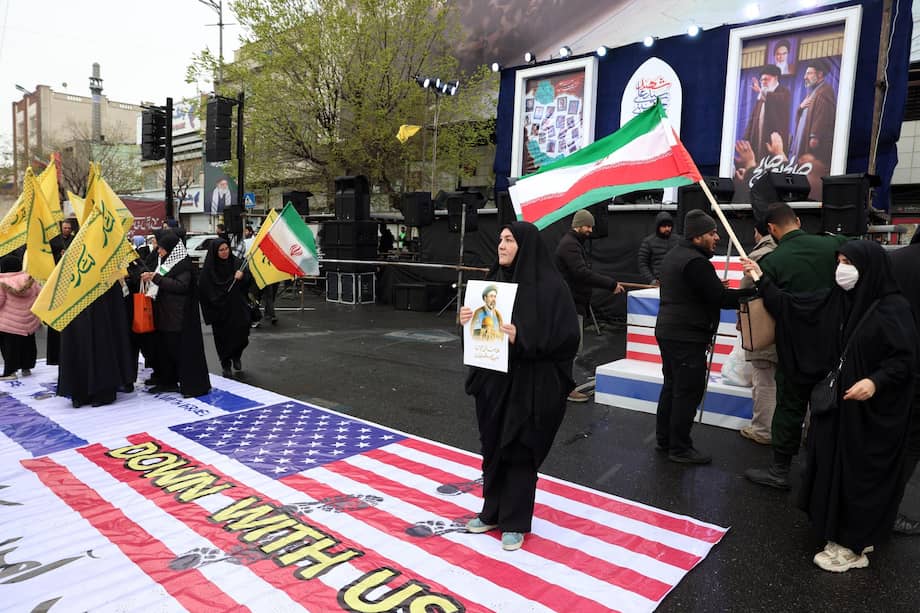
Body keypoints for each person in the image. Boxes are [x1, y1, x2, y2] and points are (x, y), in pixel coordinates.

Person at [743, 241, 917, 572]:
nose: (842, 268)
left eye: (849, 261)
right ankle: (837, 528)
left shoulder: (892, 308)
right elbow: (796, 307)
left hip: (872, 414)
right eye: (839, 260)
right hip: (842, 408)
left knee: (861, 473)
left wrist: (875, 381)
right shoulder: (844, 300)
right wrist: (761, 278)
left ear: (870, 266)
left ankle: (854, 543)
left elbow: (905, 359)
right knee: (833, 464)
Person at [459, 221, 580, 552]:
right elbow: (476, 340)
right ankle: (492, 511)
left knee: (520, 451)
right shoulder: (491, 284)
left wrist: (522, 338)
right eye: (500, 239)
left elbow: (568, 339)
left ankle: (515, 520)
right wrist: (467, 324)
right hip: (493, 385)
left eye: (510, 240)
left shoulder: (551, 289)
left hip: (532, 387)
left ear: (526, 246)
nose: (502, 245)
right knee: (493, 448)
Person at [744, 202, 848, 489]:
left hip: (794, 348)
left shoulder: (772, 263)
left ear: (772, 229)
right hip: (835, 344)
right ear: (798, 221)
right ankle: (825, 469)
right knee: (830, 406)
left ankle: (780, 471)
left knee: (790, 406)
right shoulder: (834, 245)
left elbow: (771, 305)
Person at [653, 210, 753, 464]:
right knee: (687, 391)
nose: (717, 237)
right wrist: (756, 290)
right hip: (687, 336)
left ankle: (665, 440)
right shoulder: (696, 262)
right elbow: (720, 299)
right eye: (712, 233)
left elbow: (697, 291)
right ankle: (680, 448)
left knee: (672, 387)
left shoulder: (675, 255)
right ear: (697, 237)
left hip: (671, 332)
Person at [554, 208, 623, 402]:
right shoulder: (570, 245)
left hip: (573, 302)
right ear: (578, 225)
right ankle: (565, 389)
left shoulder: (573, 243)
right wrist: (610, 284)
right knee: (570, 348)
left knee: (570, 348)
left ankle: (561, 386)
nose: (590, 230)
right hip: (569, 304)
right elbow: (581, 273)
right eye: (588, 226)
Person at [140, 231, 211, 398]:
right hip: (165, 315)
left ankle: (189, 384)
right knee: (166, 352)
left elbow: (181, 286)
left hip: (178, 317)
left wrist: (156, 279)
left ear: (171, 249)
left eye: (162, 249)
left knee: (180, 352)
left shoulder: (183, 265)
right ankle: (168, 381)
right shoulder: (168, 262)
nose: (159, 251)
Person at [889, 231, 920, 535]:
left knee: (883, 436)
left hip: (888, 365)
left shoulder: (894, 260)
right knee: (911, 443)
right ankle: (891, 511)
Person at [738, 222, 777, 445]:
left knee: (764, 378)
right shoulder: (787, 250)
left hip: (762, 324)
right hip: (788, 324)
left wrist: (741, 320)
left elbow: (744, 291)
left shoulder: (760, 255)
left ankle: (763, 430)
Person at [198, 238, 252, 378]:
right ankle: (226, 363)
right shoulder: (209, 269)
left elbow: (249, 281)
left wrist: (242, 276)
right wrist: (216, 298)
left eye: (226, 248)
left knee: (243, 332)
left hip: (237, 306)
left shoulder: (236, 263)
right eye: (221, 250)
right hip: (219, 309)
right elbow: (204, 288)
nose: (224, 252)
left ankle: (237, 355)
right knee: (223, 338)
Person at [790, 58, 837, 168]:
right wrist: (800, 108)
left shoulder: (824, 92)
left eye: (809, 73)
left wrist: (814, 136)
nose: (805, 77)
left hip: (815, 148)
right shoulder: (813, 92)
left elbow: (823, 117)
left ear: (820, 74)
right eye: (805, 73)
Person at [0, 253, 39, 381]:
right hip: (29, 320)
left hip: (9, 323)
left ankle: (10, 372)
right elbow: (39, 295)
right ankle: (26, 367)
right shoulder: (29, 279)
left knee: (10, 347)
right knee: (28, 344)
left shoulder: (2, 282)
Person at [743, 64, 791, 162]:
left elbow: (776, 99)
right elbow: (753, 118)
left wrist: (761, 91)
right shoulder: (762, 95)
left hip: (774, 140)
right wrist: (746, 137)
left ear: (775, 78)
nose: (763, 82)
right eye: (762, 80)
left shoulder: (784, 92)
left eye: (766, 79)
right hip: (758, 136)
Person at [46, 219, 76, 366]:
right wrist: (60, 256)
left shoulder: (74, 240)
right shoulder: (55, 241)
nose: (67, 230)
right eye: (65, 228)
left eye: (69, 228)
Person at [637, 211, 679, 285]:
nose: (667, 229)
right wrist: (652, 280)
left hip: (676, 281)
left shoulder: (678, 240)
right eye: (664, 226)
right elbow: (642, 264)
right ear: (658, 226)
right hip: (658, 282)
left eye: (669, 226)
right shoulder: (648, 242)